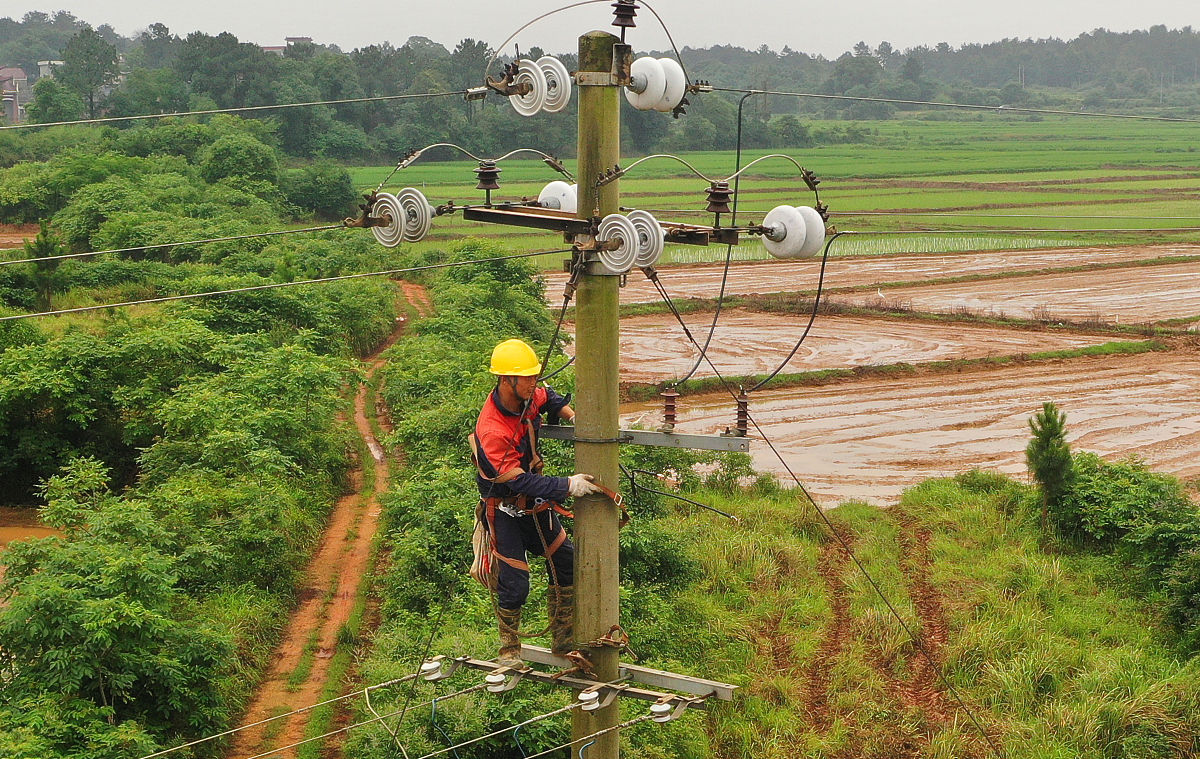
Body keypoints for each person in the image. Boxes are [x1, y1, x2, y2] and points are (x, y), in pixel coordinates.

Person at [471, 338, 602, 667]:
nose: (534, 383)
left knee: (567, 561)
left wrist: (570, 415)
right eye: (527, 378)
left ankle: (563, 638)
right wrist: (566, 486)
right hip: (504, 509)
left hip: (533, 504)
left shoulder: (527, 397)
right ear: (506, 380)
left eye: (533, 377)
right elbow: (516, 480)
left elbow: (550, 397)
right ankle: (509, 650)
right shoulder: (491, 430)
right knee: (515, 584)